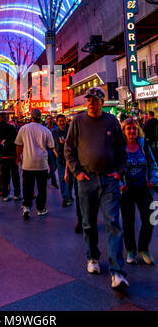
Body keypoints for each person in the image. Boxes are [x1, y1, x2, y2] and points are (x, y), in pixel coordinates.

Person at [64, 87, 129, 289]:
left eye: (95, 100)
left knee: (113, 223)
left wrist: (120, 171)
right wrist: (77, 172)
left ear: (102, 102)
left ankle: (117, 272)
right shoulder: (78, 121)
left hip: (109, 180)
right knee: (88, 222)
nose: (92, 103)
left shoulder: (111, 121)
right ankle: (92, 257)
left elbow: (121, 148)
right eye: (89, 100)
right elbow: (69, 149)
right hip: (86, 179)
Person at [120, 118, 158, 265]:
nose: (132, 131)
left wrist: (153, 180)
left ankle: (143, 249)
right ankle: (130, 250)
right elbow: (114, 167)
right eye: (128, 128)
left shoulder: (144, 144)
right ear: (124, 131)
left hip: (144, 188)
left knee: (150, 219)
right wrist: (120, 184)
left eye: (134, 128)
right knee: (128, 221)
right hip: (127, 190)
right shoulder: (120, 147)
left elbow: (153, 164)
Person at [15, 108, 55, 220]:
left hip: (28, 163)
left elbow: (18, 145)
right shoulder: (46, 130)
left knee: (27, 186)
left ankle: (27, 207)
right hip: (41, 163)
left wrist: (18, 157)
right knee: (42, 188)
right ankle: (41, 209)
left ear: (31, 117)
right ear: (40, 117)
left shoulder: (23, 129)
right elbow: (51, 146)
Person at [0, 113, 22, 202]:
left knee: (4, 177)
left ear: (0, 119)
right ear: (6, 119)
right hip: (12, 155)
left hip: (3, 156)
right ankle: (17, 194)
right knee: (15, 176)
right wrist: (18, 155)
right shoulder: (12, 128)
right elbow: (17, 141)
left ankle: (5, 195)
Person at [46, 117, 59, 189]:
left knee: (56, 166)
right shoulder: (44, 129)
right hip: (49, 150)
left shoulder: (57, 128)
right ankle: (54, 183)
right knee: (52, 166)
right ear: (46, 120)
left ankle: (49, 175)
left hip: (56, 149)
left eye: (51, 119)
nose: (50, 120)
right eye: (48, 119)